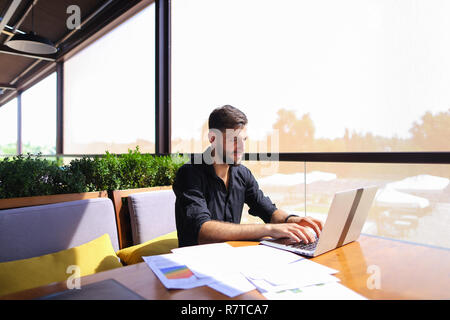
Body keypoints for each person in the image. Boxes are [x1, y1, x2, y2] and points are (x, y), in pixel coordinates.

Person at [173, 105, 324, 247]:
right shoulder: (189, 174)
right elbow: (202, 231)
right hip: (194, 262)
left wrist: (293, 220)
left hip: (230, 258)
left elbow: (269, 211)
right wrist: (269, 230)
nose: (241, 148)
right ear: (212, 139)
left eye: (244, 140)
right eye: (233, 140)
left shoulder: (242, 174)